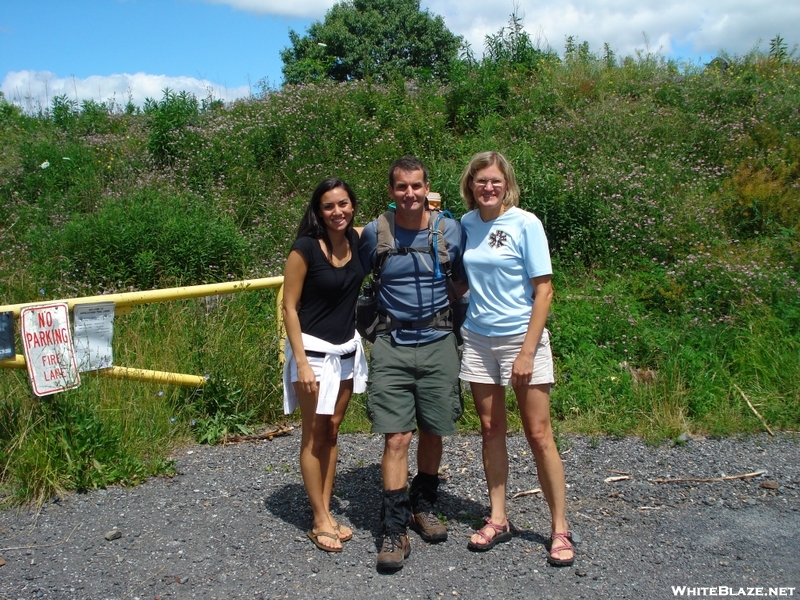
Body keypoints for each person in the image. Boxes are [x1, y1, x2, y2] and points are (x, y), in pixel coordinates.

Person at [457, 151, 574, 567]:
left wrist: (527, 351)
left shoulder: (526, 223)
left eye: (495, 180)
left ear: (507, 184)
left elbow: (544, 290)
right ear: (470, 185)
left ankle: (559, 527)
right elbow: (460, 279)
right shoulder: (466, 225)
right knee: (490, 429)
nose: (488, 187)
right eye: (480, 181)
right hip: (478, 337)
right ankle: (499, 517)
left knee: (539, 433)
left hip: (520, 339)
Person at [358, 156, 466, 571]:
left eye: (416, 186)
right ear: (390, 191)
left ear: (427, 188)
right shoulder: (374, 233)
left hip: (439, 340)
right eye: (401, 187)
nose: (409, 194)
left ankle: (424, 504)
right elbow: (352, 271)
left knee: (434, 428)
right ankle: (394, 528)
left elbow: (465, 274)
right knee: (396, 437)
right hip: (392, 343)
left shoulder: (449, 230)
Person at [282, 177, 367, 553]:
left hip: (347, 352)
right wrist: (300, 362)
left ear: (352, 206)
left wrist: (428, 207)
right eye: (329, 206)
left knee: (332, 431)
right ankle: (318, 519)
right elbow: (289, 306)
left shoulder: (358, 240)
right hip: (313, 355)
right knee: (314, 434)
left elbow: (395, 217)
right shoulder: (305, 249)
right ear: (318, 210)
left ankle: (327, 510)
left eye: (344, 204)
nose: (338, 212)